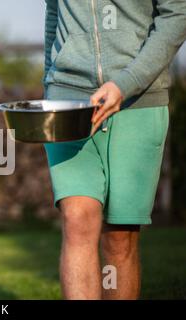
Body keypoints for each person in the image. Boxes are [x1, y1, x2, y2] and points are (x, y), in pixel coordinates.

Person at [43, 0, 186, 300]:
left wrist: (125, 83)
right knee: (77, 220)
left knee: (119, 238)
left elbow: (177, 12)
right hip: (69, 102)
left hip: (139, 101)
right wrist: (50, 85)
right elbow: (54, 13)